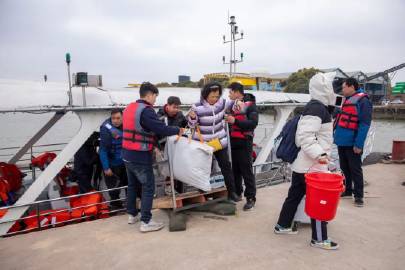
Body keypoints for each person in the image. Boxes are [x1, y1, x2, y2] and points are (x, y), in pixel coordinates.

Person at [274, 72, 339, 250]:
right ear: (325, 89)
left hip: (304, 164)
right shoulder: (318, 109)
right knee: (319, 201)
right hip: (313, 165)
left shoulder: (315, 107)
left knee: (294, 195)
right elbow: (306, 136)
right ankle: (318, 238)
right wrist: (321, 155)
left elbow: (307, 136)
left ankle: (283, 225)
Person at [122, 82, 184, 233]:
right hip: (140, 155)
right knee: (148, 186)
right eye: (155, 96)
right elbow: (160, 128)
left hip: (126, 154)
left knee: (132, 185)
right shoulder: (147, 111)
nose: (155, 100)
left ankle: (132, 215)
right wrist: (178, 129)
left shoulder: (129, 107)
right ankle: (146, 221)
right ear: (149, 95)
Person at [188, 82, 239, 202]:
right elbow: (191, 125)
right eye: (212, 97)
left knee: (226, 166)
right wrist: (193, 118)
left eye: (217, 96)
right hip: (204, 144)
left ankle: (232, 193)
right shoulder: (196, 106)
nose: (215, 99)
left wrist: (238, 103)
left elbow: (234, 104)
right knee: (205, 169)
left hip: (219, 141)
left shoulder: (222, 103)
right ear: (205, 95)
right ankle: (204, 194)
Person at [334, 77, 372, 207]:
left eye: (344, 87)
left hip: (352, 143)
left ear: (351, 86)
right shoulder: (346, 100)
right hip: (341, 141)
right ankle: (348, 190)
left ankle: (359, 196)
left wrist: (358, 144)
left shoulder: (363, 101)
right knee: (344, 168)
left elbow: (365, 124)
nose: (342, 90)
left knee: (355, 169)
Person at [225, 82, 259, 210]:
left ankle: (250, 198)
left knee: (246, 171)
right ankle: (237, 194)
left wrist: (235, 121)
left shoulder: (251, 106)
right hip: (232, 143)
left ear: (236, 92)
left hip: (244, 142)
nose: (229, 95)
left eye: (230, 92)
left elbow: (253, 124)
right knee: (235, 171)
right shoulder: (230, 107)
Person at [99, 108, 131, 210]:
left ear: (123, 118)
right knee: (113, 190)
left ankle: (131, 206)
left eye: (118, 118)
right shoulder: (106, 129)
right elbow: (103, 150)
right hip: (112, 164)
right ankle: (116, 207)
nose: (115, 121)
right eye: (113, 118)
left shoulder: (128, 125)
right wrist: (106, 167)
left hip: (126, 162)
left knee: (130, 186)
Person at [157, 96, 188, 193]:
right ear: (168, 105)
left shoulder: (179, 115)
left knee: (178, 167)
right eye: (174, 107)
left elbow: (186, 125)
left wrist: (191, 118)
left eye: (178, 107)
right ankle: (168, 188)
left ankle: (180, 189)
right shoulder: (159, 116)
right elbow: (154, 132)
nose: (176, 110)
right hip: (163, 146)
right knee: (167, 169)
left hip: (177, 145)